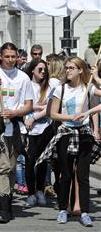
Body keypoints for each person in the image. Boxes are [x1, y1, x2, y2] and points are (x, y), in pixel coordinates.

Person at [39, 57, 100, 227]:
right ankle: (63, 209)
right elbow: (52, 113)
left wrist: (96, 78)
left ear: (81, 70)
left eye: (72, 68)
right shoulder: (61, 89)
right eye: (66, 68)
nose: (68, 71)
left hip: (84, 133)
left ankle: (85, 211)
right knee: (65, 175)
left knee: (83, 175)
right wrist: (69, 117)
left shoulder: (88, 88)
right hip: (66, 133)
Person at [0, 43, 33, 224]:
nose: (10, 60)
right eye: (7, 56)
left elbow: (28, 105)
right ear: (0, 57)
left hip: (15, 126)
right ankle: (3, 207)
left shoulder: (23, 78)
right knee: (1, 167)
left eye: (13, 56)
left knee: (10, 168)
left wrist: (15, 113)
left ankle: (7, 199)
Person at [23, 59, 53, 207]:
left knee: (42, 161)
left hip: (44, 128)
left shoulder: (49, 86)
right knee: (29, 161)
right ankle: (30, 193)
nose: (42, 72)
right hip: (28, 129)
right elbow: (22, 104)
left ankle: (40, 190)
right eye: (40, 69)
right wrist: (34, 106)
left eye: (44, 70)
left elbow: (49, 107)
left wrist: (34, 114)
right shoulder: (27, 84)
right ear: (32, 70)